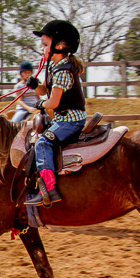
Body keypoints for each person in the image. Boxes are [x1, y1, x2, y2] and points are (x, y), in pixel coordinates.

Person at [24, 20, 87, 207]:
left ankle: (49, 189)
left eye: (45, 45)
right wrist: (36, 86)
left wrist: (41, 103)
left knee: (43, 142)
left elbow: (53, 102)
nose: (42, 49)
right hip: (62, 118)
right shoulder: (54, 67)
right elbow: (45, 90)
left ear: (59, 47)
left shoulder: (62, 72)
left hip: (71, 121)